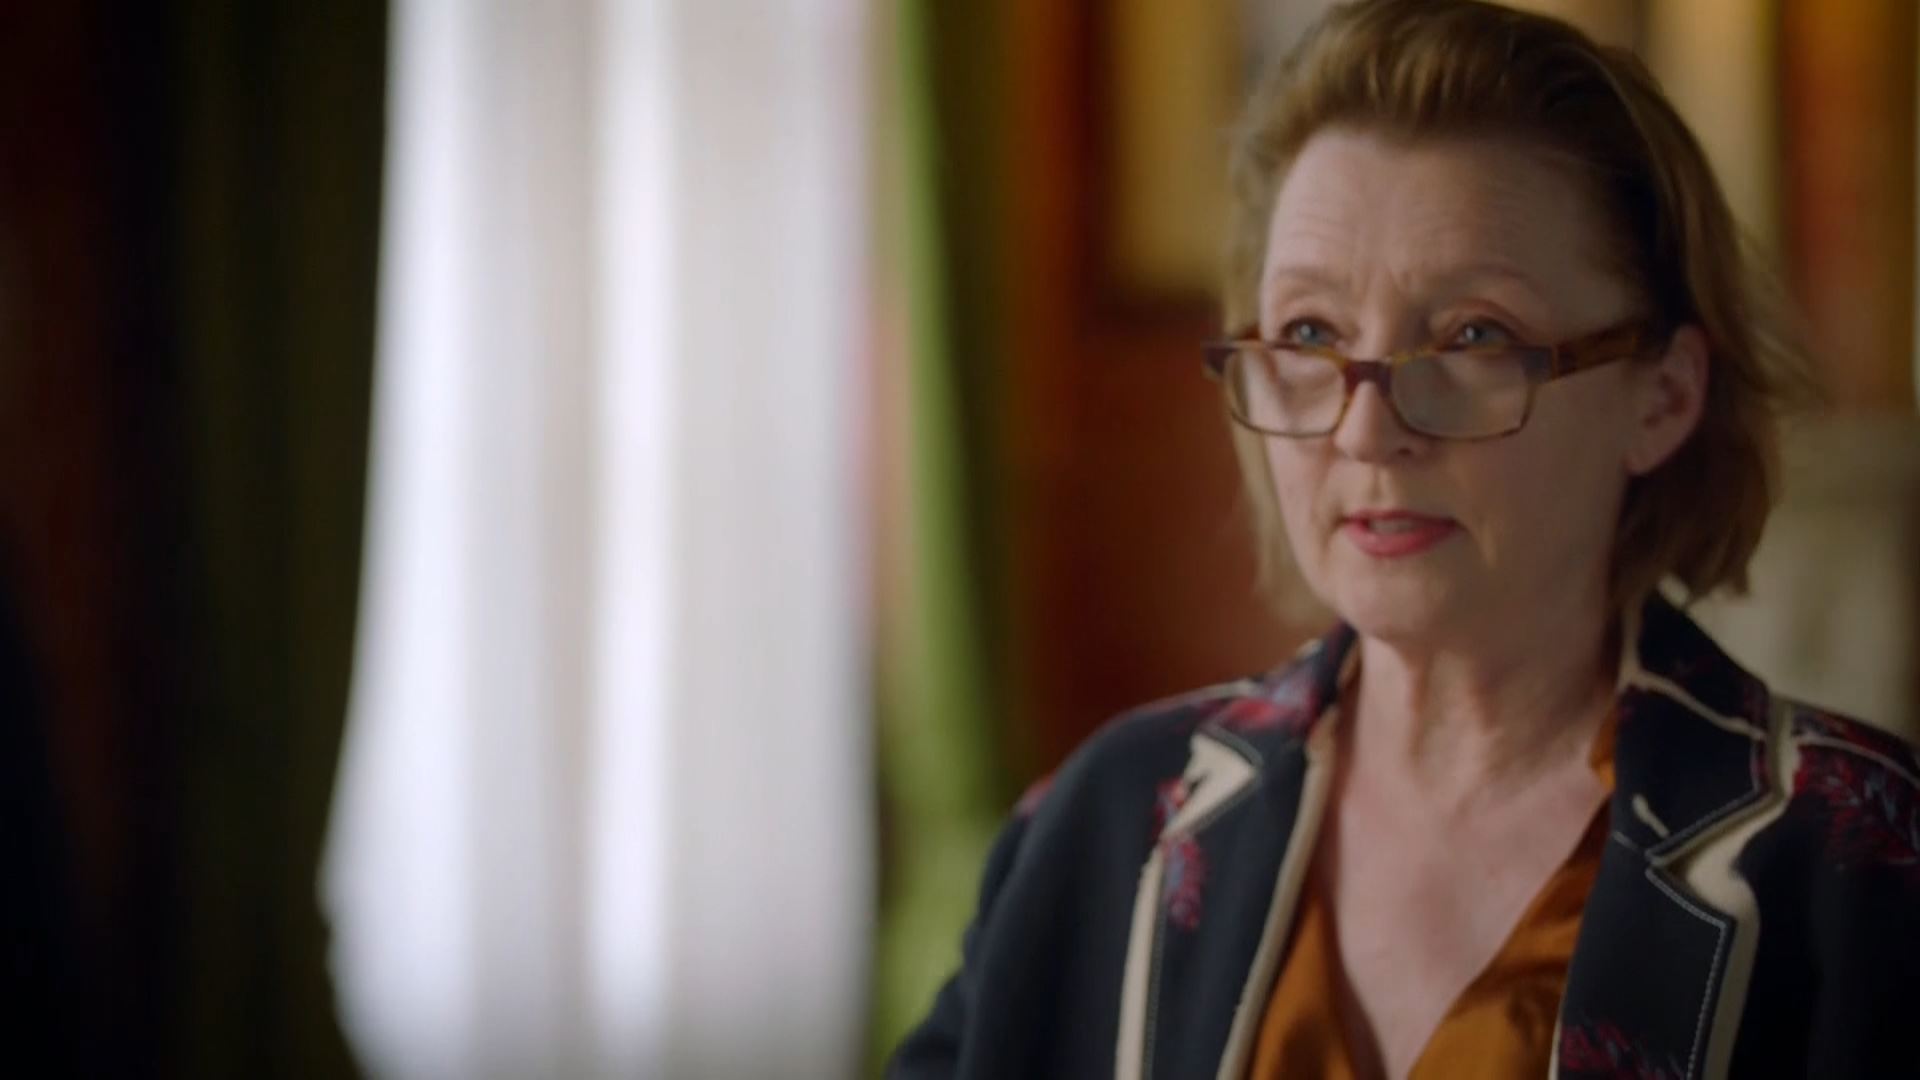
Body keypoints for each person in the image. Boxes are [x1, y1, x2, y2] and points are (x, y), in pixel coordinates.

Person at [887, 1, 1920, 1077]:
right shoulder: (1106, 826)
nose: (1366, 429)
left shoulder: (1859, 867)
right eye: (1309, 333)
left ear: (1662, 398)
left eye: (1474, 335)